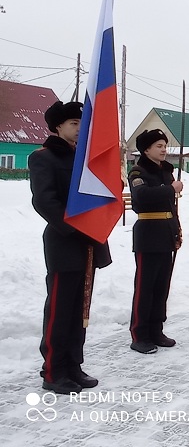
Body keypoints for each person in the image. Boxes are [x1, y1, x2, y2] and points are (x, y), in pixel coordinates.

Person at [29, 100, 112, 394]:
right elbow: (44, 200)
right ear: (58, 127)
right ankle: (53, 371)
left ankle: (73, 365)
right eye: (74, 124)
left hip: (88, 242)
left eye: (81, 124)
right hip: (64, 242)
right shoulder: (44, 157)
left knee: (80, 309)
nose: (79, 129)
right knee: (60, 309)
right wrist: (76, 227)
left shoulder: (85, 159)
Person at [128, 129, 183, 354]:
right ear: (146, 149)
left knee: (161, 286)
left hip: (165, 233)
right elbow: (141, 198)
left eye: (164, 145)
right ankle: (139, 334)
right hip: (148, 234)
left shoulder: (165, 172)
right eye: (159, 146)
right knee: (145, 287)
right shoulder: (138, 171)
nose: (163, 149)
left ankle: (156, 329)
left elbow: (172, 206)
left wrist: (176, 230)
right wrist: (169, 189)